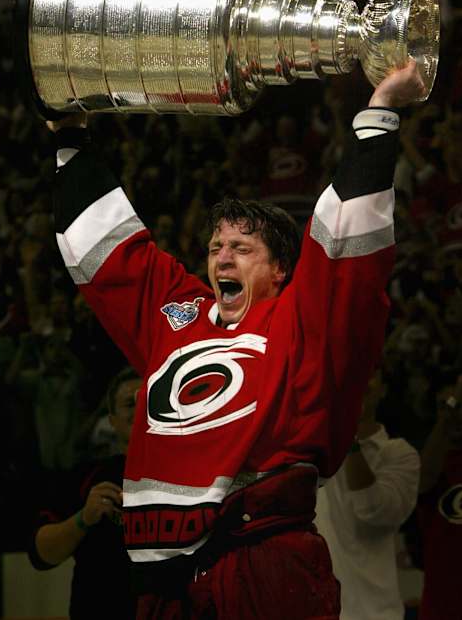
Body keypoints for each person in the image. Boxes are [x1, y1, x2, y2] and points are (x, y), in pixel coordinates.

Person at [48, 59, 425, 619]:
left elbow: (348, 259)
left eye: (242, 248)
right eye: (215, 247)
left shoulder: (298, 321)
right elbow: (111, 258)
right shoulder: (178, 318)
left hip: (262, 563)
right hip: (163, 577)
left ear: (281, 272)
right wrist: (70, 138)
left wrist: (379, 115)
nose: (222, 256)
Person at [28, 367, 142, 620]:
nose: (140, 409)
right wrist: (83, 519)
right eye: (128, 403)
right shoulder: (87, 476)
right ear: (111, 420)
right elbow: (41, 555)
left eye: (146, 400)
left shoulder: (191, 474)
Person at [314, 369, 420, 620]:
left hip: (374, 613)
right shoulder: (311, 447)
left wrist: (350, 435)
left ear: (382, 389)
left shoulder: (400, 454)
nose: (361, 380)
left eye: (370, 372)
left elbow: (372, 510)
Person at [416, 372, 462, 620]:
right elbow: (422, 481)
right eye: (444, 406)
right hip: (441, 608)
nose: (455, 413)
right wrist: (454, 404)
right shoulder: (434, 462)